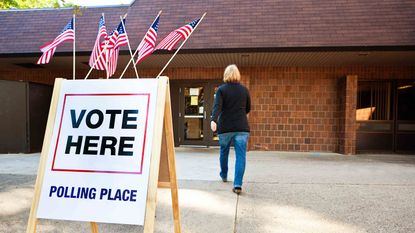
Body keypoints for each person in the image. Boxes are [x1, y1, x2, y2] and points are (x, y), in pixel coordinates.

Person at [210, 64, 251, 194]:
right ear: (237, 74)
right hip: (241, 127)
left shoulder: (221, 90)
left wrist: (213, 120)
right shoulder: (244, 90)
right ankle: (238, 184)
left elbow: (217, 107)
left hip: (225, 127)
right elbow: (248, 108)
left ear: (226, 75)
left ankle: (224, 174)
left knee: (224, 151)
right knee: (241, 156)